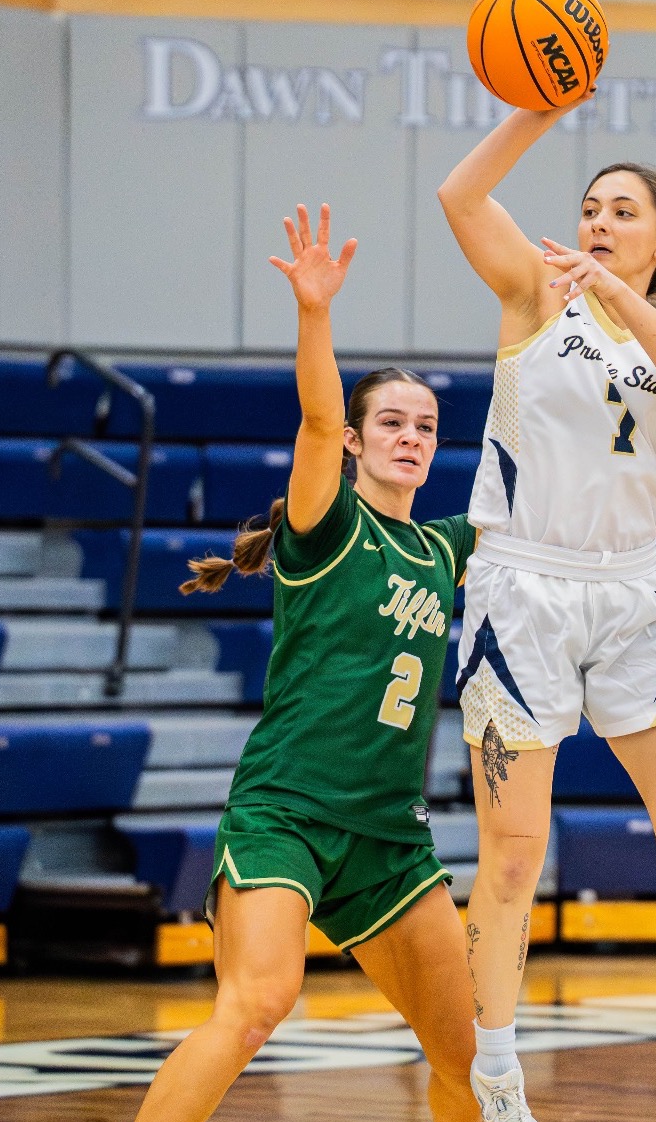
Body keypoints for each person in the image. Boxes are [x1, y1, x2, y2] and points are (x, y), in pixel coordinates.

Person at [439, 113, 656, 1122]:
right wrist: (535, 109)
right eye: (589, 208)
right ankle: (495, 1075)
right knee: (509, 855)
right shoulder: (535, 290)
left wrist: (617, 291)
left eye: (622, 211)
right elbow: (459, 197)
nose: (597, 222)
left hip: (633, 597)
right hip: (521, 590)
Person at [134, 206, 478, 1122]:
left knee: (472, 1059)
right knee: (255, 1006)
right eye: (393, 423)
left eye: (427, 426)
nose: (411, 436)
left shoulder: (446, 549)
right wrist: (315, 313)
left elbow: (543, 494)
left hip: (390, 840)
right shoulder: (329, 525)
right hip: (287, 811)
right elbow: (319, 419)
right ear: (362, 443)